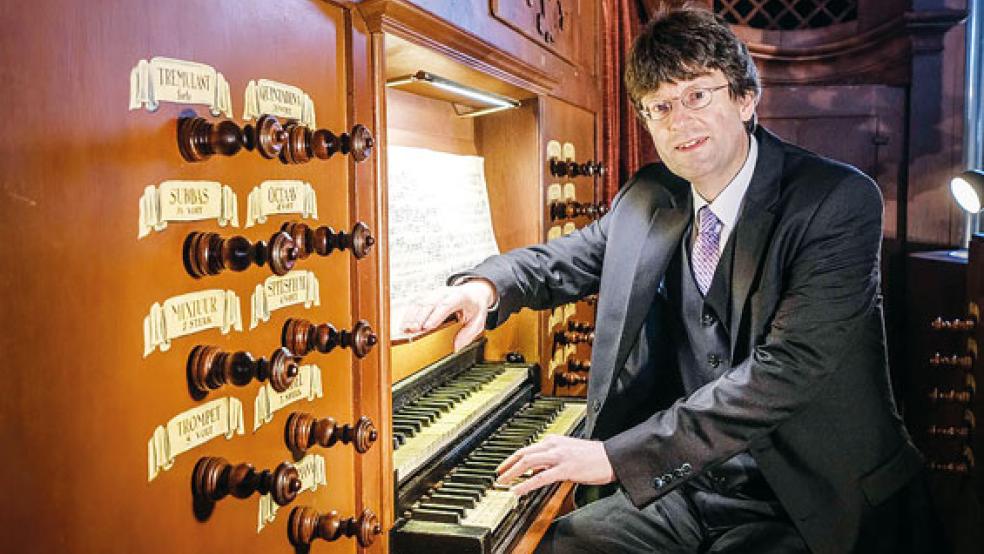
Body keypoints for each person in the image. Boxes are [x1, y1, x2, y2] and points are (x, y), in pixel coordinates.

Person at [401, 8, 938, 553]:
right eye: (661, 106)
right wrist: (485, 288)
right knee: (563, 544)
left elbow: (786, 370)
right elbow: (567, 258)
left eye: (698, 95)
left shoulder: (835, 200)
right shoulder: (649, 196)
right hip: (690, 485)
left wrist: (614, 456)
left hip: (808, 497)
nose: (680, 120)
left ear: (746, 98)